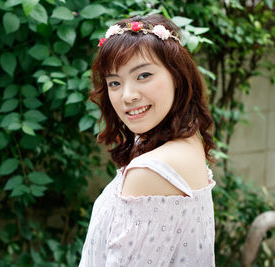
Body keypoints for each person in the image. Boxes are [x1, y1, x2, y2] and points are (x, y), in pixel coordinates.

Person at [79, 14, 216, 266]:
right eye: (115, 82)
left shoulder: (151, 171)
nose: (127, 96)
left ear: (177, 76)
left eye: (143, 76)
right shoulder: (187, 141)